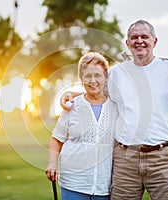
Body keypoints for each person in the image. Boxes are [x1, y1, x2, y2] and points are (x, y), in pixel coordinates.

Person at [60, 19, 168, 200]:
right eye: (134, 37)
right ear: (128, 43)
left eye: (144, 37)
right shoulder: (117, 73)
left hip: (162, 158)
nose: (139, 41)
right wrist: (71, 93)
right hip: (125, 159)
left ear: (154, 42)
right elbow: (95, 91)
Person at [46, 52, 118, 200]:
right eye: (88, 76)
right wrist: (52, 163)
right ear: (81, 79)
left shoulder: (116, 106)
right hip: (73, 184)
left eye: (97, 75)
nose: (93, 81)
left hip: (104, 185)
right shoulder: (71, 106)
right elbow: (57, 138)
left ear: (106, 77)